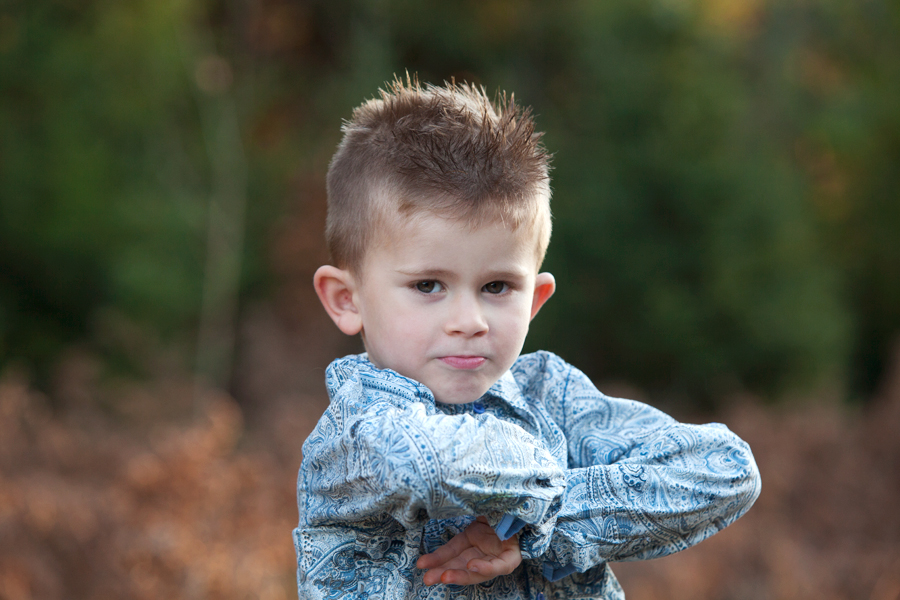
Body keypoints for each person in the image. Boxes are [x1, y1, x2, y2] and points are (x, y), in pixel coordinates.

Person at [293, 76, 761, 600]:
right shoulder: (356, 431)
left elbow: (726, 469)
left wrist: (534, 529)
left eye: (497, 286)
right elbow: (431, 463)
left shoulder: (548, 394)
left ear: (534, 300)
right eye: (428, 285)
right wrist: (569, 490)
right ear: (345, 298)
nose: (469, 320)